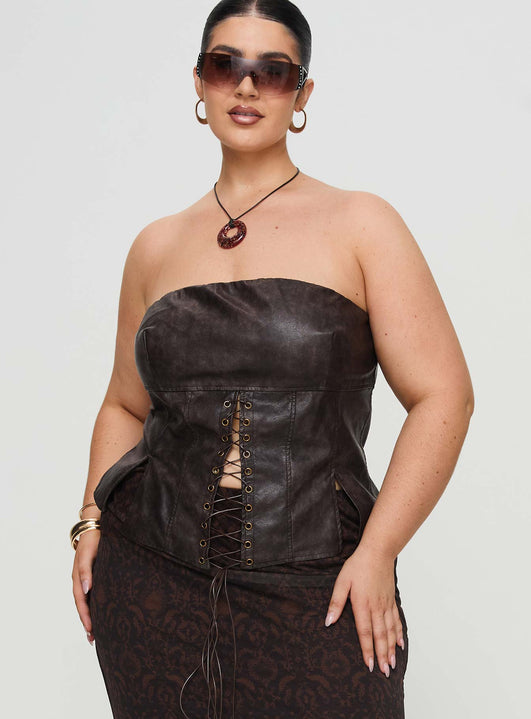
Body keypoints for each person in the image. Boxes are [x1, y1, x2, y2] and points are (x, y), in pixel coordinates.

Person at [70, 1, 474, 717]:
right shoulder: (156, 246)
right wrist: (89, 523)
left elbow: (444, 394)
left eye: (273, 70)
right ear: (200, 82)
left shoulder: (361, 224)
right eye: (225, 65)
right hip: (150, 582)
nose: (247, 86)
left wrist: (377, 551)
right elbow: (125, 404)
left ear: (302, 93)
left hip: (318, 585)